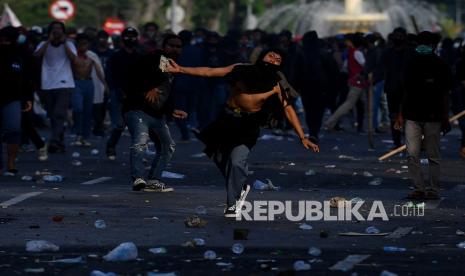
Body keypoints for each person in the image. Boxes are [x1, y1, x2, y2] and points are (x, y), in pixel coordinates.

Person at [166, 48, 319, 217]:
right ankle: (239, 184)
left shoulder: (276, 84)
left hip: (248, 124)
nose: (274, 58)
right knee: (219, 157)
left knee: (237, 161)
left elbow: (288, 109)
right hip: (226, 119)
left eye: (278, 58)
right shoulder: (240, 69)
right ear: (261, 57)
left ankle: (233, 203)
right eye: (271, 55)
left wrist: (302, 136)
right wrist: (181, 69)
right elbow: (210, 72)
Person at [124, 34, 187, 192]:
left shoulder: (171, 65)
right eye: (171, 45)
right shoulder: (154, 58)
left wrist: (171, 110)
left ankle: (154, 180)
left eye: (178, 46)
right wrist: (147, 88)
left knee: (167, 145)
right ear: (163, 46)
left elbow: (166, 92)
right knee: (140, 142)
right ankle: (138, 178)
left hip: (156, 114)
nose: (175, 49)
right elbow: (133, 76)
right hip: (137, 109)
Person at [395, 31, 452, 200]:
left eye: (426, 43)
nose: (422, 46)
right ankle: (418, 187)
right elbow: (404, 90)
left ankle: (433, 189)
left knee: (433, 155)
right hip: (412, 115)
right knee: (412, 154)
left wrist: (445, 117)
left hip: (433, 117)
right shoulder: (411, 64)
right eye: (420, 43)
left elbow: (445, 94)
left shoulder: (440, 65)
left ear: (433, 46)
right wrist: (400, 114)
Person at [34, 21, 77, 153]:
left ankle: (54, 141)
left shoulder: (69, 44)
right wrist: (48, 41)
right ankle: (59, 140)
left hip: (64, 83)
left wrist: (64, 43)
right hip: (47, 84)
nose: (57, 31)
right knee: (53, 115)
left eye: (59, 29)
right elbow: (36, 56)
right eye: (54, 29)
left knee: (59, 113)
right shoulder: (43, 44)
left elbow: (73, 59)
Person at [0, 26, 34, 175]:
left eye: (8, 40)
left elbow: (25, 79)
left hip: (13, 98)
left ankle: (11, 162)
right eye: (2, 40)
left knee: (14, 130)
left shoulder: (20, 56)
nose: (5, 43)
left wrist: (27, 97)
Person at [106, 27, 141, 160]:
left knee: (137, 127)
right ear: (122, 39)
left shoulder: (139, 56)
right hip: (118, 94)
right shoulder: (115, 56)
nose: (130, 39)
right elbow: (110, 75)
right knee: (119, 125)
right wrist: (114, 90)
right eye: (127, 36)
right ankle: (111, 145)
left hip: (135, 96)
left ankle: (137, 154)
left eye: (133, 36)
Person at [324, 34, 368, 132]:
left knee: (359, 105)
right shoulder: (357, 53)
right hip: (357, 82)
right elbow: (365, 66)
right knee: (348, 105)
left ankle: (360, 126)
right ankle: (330, 122)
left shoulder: (350, 52)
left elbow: (345, 66)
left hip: (352, 81)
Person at [71, 34, 107, 146]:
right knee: (78, 108)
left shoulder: (91, 57)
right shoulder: (72, 56)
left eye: (85, 44)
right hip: (76, 83)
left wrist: (105, 84)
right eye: (81, 44)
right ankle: (78, 133)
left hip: (88, 83)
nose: (83, 46)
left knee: (88, 111)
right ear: (76, 44)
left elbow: (98, 71)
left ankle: (84, 137)